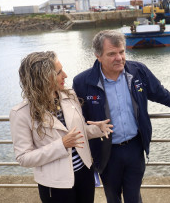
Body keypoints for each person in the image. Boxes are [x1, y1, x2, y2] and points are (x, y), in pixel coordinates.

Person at [72, 30, 170, 203]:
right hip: (106, 151)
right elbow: (76, 118)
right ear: (98, 56)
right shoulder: (82, 82)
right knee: (113, 197)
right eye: (111, 54)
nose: (119, 58)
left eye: (122, 52)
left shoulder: (138, 71)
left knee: (134, 197)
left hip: (134, 148)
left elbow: (161, 94)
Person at [10, 51, 113, 203]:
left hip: (85, 173)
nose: (65, 75)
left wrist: (98, 129)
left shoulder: (70, 96)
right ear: (43, 79)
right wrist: (61, 145)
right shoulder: (21, 114)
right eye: (58, 72)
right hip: (55, 184)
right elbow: (24, 158)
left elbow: (77, 132)